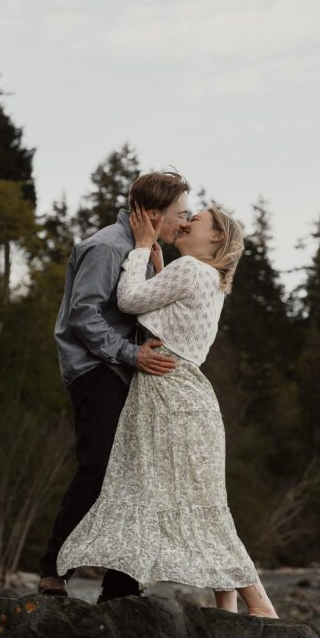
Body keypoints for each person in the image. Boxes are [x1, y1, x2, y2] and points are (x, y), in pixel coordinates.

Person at [56, 201, 279, 618]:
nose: (188, 220)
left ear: (215, 237)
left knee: (179, 498)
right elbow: (168, 312)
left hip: (169, 393)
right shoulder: (209, 278)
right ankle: (228, 607)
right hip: (193, 396)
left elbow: (128, 300)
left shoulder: (191, 269)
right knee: (203, 501)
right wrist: (159, 267)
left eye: (198, 219)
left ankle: (259, 604)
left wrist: (141, 247)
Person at [38, 171, 192, 602]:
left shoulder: (149, 253)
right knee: (98, 467)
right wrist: (132, 354)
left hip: (129, 373)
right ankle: (53, 569)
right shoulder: (105, 247)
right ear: (151, 213)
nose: (186, 221)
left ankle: (120, 587)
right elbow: (83, 317)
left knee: (138, 476)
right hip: (96, 370)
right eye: (181, 214)